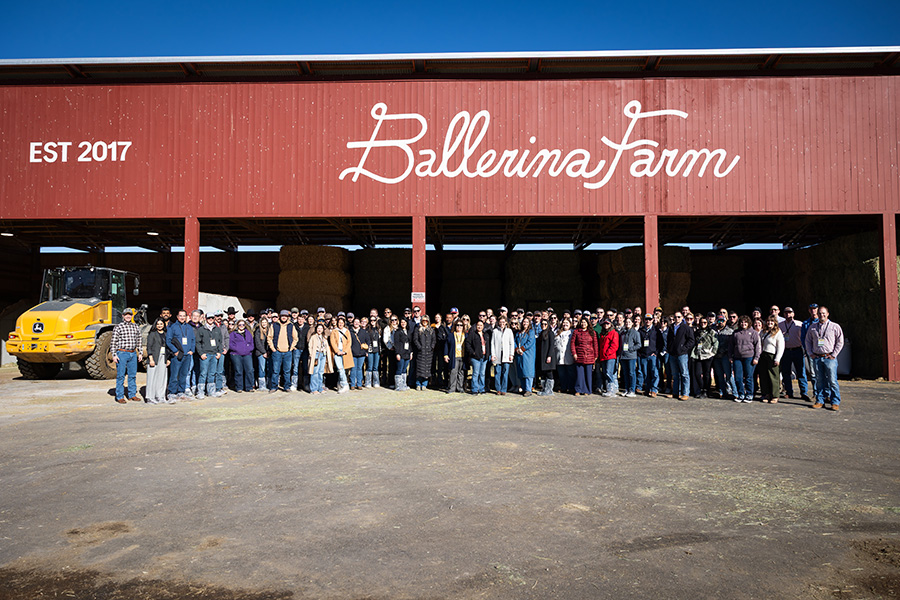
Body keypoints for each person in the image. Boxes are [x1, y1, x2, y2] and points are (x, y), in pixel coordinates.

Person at [804, 306, 845, 410]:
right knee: (819, 381)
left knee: (832, 380)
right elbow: (807, 341)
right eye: (820, 313)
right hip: (817, 358)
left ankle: (835, 401)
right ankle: (819, 400)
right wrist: (810, 353)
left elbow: (840, 341)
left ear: (827, 314)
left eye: (823, 313)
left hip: (829, 357)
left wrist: (834, 354)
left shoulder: (835, 326)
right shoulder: (812, 327)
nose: (822, 315)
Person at [111, 307, 143, 404]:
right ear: (123, 316)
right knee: (121, 376)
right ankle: (120, 396)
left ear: (132, 316)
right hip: (122, 353)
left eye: (129, 315)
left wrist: (140, 352)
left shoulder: (135, 326)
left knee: (132, 375)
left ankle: (132, 395)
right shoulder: (118, 327)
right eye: (126, 315)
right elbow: (113, 342)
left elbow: (139, 340)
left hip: (133, 353)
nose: (128, 316)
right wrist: (114, 354)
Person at [779, 307, 809, 400]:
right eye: (786, 313)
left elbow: (805, 337)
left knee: (801, 372)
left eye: (790, 312)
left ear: (793, 314)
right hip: (786, 351)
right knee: (786, 372)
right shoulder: (780, 325)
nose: (788, 314)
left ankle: (804, 392)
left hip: (797, 350)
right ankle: (789, 392)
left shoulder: (799, 324)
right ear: (783, 314)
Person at [166, 310, 195, 402]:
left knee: (184, 374)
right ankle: (172, 392)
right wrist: (175, 351)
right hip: (177, 355)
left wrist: (192, 350)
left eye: (184, 316)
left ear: (186, 317)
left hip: (187, 355)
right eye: (180, 316)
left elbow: (193, 340)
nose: (182, 317)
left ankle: (181, 391)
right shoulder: (172, 327)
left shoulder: (189, 327)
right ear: (177, 317)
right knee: (174, 375)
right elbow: (168, 341)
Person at [731, 315, 760, 403]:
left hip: (749, 357)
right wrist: (730, 356)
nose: (743, 324)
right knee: (738, 377)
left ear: (748, 323)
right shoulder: (735, 333)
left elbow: (757, 346)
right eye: (742, 322)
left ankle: (749, 394)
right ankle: (741, 394)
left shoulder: (753, 333)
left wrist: (756, 358)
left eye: (745, 322)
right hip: (737, 358)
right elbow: (731, 346)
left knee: (749, 377)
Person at [666, 311, 695, 401]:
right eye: (675, 317)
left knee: (684, 373)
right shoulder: (671, 327)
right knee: (675, 374)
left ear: (682, 317)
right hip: (672, 354)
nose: (677, 319)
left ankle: (685, 393)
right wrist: (669, 349)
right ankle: (675, 392)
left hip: (682, 354)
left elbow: (691, 340)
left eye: (678, 317)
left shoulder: (686, 327)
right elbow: (669, 340)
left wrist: (684, 348)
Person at [267, 310, 297, 393]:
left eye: (285, 316)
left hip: (287, 352)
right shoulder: (274, 325)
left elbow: (295, 338)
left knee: (287, 371)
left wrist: (291, 348)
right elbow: (269, 337)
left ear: (287, 317)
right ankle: (274, 387)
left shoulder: (291, 326)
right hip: (277, 352)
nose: (284, 317)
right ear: (280, 316)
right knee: (275, 371)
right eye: (282, 316)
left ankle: (286, 386)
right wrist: (273, 348)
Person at [196, 313, 224, 399]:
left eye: (212, 318)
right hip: (205, 354)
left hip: (214, 354)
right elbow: (198, 343)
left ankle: (211, 391)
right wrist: (201, 353)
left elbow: (220, 341)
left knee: (212, 373)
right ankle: (200, 392)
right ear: (206, 318)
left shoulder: (217, 329)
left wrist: (219, 352)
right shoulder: (201, 329)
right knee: (203, 373)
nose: (210, 319)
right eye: (209, 318)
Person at [758, 315, 785, 403]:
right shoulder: (763, 332)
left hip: (772, 355)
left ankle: (775, 395)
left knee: (773, 376)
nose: (770, 323)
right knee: (764, 376)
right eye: (768, 321)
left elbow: (781, 346)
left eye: (772, 322)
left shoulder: (778, 332)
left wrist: (777, 358)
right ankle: (766, 394)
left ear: (775, 323)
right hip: (763, 355)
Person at [690, 316, 718, 399]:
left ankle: (706, 390)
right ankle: (701, 388)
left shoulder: (711, 332)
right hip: (698, 355)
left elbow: (715, 343)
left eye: (705, 322)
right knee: (697, 374)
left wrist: (712, 353)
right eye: (701, 322)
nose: (703, 324)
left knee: (706, 374)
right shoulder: (697, 332)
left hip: (708, 355)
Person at [571, 316, 598, 396]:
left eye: (585, 322)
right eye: (582, 322)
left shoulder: (592, 332)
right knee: (579, 374)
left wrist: (596, 355)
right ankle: (578, 389)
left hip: (589, 355)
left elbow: (595, 344)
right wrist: (574, 353)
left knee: (588, 374)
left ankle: (587, 390)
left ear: (587, 323)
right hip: (579, 355)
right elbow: (572, 343)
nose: (583, 324)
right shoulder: (576, 332)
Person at [145, 318, 171, 404]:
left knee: (162, 377)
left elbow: (168, 348)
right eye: (158, 324)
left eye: (161, 324)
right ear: (155, 325)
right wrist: (151, 358)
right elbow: (149, 347)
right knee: (152, 377)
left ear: (164, 325)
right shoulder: (152, 334)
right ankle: (150, 397)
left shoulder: (166, 334)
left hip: (163, 357)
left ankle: (160, 396)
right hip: (154, 357)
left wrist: (168, 359)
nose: (160, 325)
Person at [636, 314, 661, 398]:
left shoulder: (656, 331)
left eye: (650, 319)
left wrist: (656, 352)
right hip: (643, 355)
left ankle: (654, 389)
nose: (648, 321)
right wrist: (640, 352)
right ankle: (647, 389)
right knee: (645, 373)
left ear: (652, 320)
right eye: (646, 319)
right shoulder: (640, 331)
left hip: (652, 355)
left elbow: (660, 343)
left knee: (655, 373)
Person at [712, 316, 735, 399]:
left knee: (729, 375)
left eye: (722, 320)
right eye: (719, 321)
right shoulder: (713, 330)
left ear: (725, 321)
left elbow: (732, 344)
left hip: (725, 355)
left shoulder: (730, 331)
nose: (720, 322)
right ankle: (722, 392)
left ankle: (734, 392)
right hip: (716, 356)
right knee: (719, 375)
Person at [229, 319, 255, 393]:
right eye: (240, 324)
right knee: (238, 371)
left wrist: (249, 349)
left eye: (243, 325)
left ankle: (249, 387)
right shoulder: (233, 334)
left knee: (249, 370)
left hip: (247, 354)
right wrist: (237, 349)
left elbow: (251, 343)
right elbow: (230, 344)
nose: (241, 326)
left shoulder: (248, 333)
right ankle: (239, 387)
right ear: (237, 325)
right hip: (236, 354)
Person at [490, 316, 515, 395]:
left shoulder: (509, 331)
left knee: (505, 372)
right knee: (497, 372)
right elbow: (492, 343)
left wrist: (511, 354)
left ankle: (504, 389)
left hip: (506, 354)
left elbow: (512, 343)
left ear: (506, 323)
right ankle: (498, 389)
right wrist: (493, 354)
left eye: (503, 322)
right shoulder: (495, 331)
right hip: (498, 353)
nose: (502, 324)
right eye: (500, 322)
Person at [465, 319, 489, 394]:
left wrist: (488, 354)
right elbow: (468, 344)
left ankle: (481, 388)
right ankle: (475, 389)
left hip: (484, 357)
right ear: (476, 326)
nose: (479, 326)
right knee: (476, 373)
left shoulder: (486, 335)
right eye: (478, 325)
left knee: (482, 374)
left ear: (483, 326)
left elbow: (488, 345)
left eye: (481, 325)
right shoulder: (472, 334)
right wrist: (473, 353)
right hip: (475, 357)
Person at [617, 316, 640, 397]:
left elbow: (638, 344)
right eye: (626, 322)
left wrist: (631, 349)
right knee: (625, 373)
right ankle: (626, 389)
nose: (627, 324)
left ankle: (632, 390)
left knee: (631, 373)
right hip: (623, 356)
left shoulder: (635, 332)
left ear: (632, 323)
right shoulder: (622, 332)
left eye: (629, 322)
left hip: (631, 356)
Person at [330, 315, 352, 393]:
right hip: (337, 351)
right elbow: (332, 342)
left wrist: (345, 350)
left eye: (342, 323)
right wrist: (337, 351)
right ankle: (345, 385)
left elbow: (349, 342)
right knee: (340, 369)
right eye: (339, 323)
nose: (340, 324)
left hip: (345, 352)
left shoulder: (347, 331)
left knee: (344, 369)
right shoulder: (334, 331)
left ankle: (340, 385)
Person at [308, 322, 332, 394]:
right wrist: (312, 354)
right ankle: (314, 388)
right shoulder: (313, 337)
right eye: (318, 328)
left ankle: (320, 387)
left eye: (321, 328)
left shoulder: (324, 337)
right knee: (315, 372)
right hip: (316, 355)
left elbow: (326, 346)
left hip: (323, 355)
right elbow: (310, 346)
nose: (319, 330)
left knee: (321, 372)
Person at [514, 316, 536, 396]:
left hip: (527, 354)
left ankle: (528, 389)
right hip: (519, 354)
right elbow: (514, 341)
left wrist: (522, 349)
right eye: (524, 322)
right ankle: (523, 388)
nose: (525, 323)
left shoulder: (531, 332)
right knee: (521, 371)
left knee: (528, 372)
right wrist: (516, 349)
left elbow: (530, 342)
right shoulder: (519, 333)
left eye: (527, 322)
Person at [413, 314, 436, 390]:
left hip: (429, 352)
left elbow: (434, 340)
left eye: (426, 320)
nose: (425, 322)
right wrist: (419, 347)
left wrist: (431, 347)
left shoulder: (431, 330)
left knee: (427, 369)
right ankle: (418, 384)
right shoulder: (418, 329)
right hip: (421, 352)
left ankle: (424, 384)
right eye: (423, 320)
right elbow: (415, 339)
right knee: (420, 368)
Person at [597, 319, 619, 397]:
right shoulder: (602, 334)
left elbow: (614, 345)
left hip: (610, 357)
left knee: (609, 373)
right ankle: (608, 389)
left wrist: (607, 353)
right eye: (604, 324)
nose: (606, 325)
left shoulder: (614, 333)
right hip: (603, 357)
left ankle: (612, 390)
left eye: (607, 324)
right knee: (605, 373)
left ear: (610, 324)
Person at [445, 319, 467, 393]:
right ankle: (452, 388)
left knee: (461, 373)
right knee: (453, 372)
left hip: (463, 356)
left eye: (461, 325)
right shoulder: (451, 335)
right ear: (455, 326)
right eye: (458, 325)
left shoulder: (466, 335)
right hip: (454, 356)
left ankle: (460, 387)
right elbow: (446, 345)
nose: (459, 327)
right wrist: (445, 355)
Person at [554, 318, 576, 393]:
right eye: (564, 323)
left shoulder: (572, 332)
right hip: (559, 356)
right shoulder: (557, 332)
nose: (565, 324)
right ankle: (563, 387)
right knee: (561, 374)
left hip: (568, 356)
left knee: (570, 373)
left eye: (567, 323)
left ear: (570, 324)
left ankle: (571, 388)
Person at [538, 318, 557, 396]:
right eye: (542, 324)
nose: (543, 325)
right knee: (543, 373)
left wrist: (549, 356)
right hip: (541, 357)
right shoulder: (541, 333)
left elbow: (552, 345)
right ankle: (544, 389)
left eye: (545, 324)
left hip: (548, 356)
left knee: (549, 373)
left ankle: (549, 390)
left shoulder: (550, 333)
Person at [393, 316, 412, 391]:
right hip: (400, 353)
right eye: (402, 322)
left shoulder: (408, 331)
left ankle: (404, 384)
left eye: (404, 322)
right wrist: (397, 353)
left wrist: (411, 352)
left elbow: (410, 343)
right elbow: (396, 343)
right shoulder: (397, 332)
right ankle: (398, 385)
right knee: (399, 369)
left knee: (404, 369)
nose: (403, 323)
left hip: (407, 353)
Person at [349, 317, 368, 390]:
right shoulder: (350, 332)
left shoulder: (363, 331)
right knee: (353, 369)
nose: (356, 323)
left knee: (360, 369)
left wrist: (366, 351)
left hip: (361, 353)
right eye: (355, 322)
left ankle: (359, 384)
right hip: (353, 353)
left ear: (360, 323)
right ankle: (353, 384)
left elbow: (368, 341)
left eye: (358, 322)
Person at [254, 316, 270, 391]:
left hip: (268, 352)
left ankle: (268, 384)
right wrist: (264, 352)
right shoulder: (258, 331)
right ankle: (262, 386)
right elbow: (257, 343)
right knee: (262, 369)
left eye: (265, 322)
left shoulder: (269, 330)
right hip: (260, 353)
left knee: (268, 368)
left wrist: (268, 351)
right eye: (262, 322)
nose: (264, 324)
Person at [365, 316, 381, 388]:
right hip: (370, 350)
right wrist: (366, 351)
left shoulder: (379, 329)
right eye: (371, 320)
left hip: (377, 350)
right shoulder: (367, 330)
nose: (372, 322)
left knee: (376, 367)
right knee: (370, 366)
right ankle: (368, 382)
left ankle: (376, 382)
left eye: (374, 320)